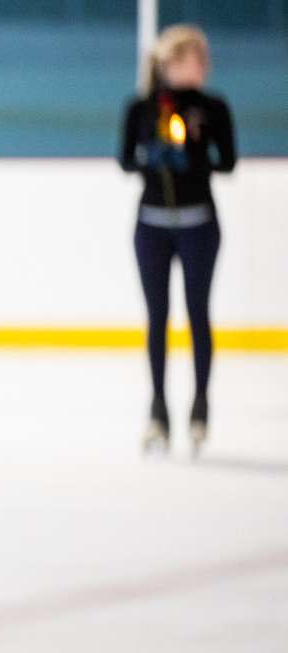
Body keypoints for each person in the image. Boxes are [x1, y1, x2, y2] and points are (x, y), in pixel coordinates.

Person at [119, 24, 236, 455]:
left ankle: (201, 406)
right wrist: (153, 157)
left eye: (204, 60)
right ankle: (158, 410)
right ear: (170, 63)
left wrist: (195, 157)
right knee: (157, 317)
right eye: (194, 59)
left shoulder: (213, 107)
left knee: (198, 313)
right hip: (152, 224)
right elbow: (125, 160)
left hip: (199, 223)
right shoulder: (142, 108)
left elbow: (229, 162)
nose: (203, 67)